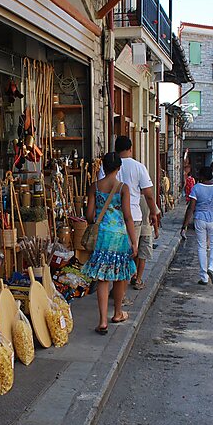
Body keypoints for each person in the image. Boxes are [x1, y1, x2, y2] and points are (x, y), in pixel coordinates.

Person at [82, 152, 138, 334]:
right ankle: (118, 313)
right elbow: (128, 217)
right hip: (119, 236)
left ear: (102, 167)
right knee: (120, 274)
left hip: (101, 236)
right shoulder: (123, 188)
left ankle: (102, 321)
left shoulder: (94, 186)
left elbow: (89, 215)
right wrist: (134, 242)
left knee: (103, 278)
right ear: (118, 168)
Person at [99, 136, 160, 291]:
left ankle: (113, 289)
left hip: (110, 219)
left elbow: (100, 189)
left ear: (115, 148)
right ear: (131, 149)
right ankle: (121, 295)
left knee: (112, 256)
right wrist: (153, 212)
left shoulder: (105, 167)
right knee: (128, 256)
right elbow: (148, 195)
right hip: (133, 217)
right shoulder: (139, 167)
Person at [180, 166, 213, 286]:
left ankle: (204, 277)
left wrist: (184, 226)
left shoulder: (197, 188)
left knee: (201, 247)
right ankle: (212, 268)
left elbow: (191, 208)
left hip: (200, 219)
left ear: (201, 176)